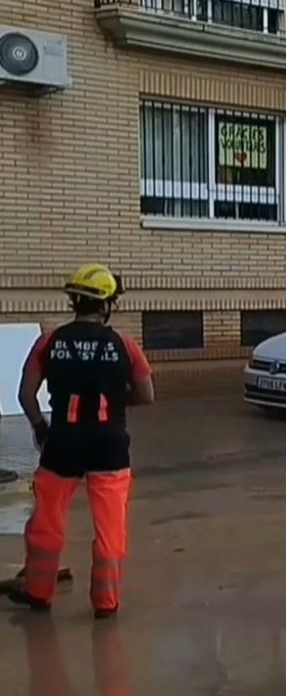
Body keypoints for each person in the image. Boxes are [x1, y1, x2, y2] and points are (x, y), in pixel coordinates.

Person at [9, 264, 154, 617]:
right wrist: (117, 402)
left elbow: (26, 395)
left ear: (75, 300)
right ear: (106, 305)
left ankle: (39, 593)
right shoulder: (125, 345)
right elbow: (147, 394)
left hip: (61, 445)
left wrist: (41, 427)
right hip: (110, 447)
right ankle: (105, 602)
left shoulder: (49, 341)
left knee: (46, 521)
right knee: (109, 527)